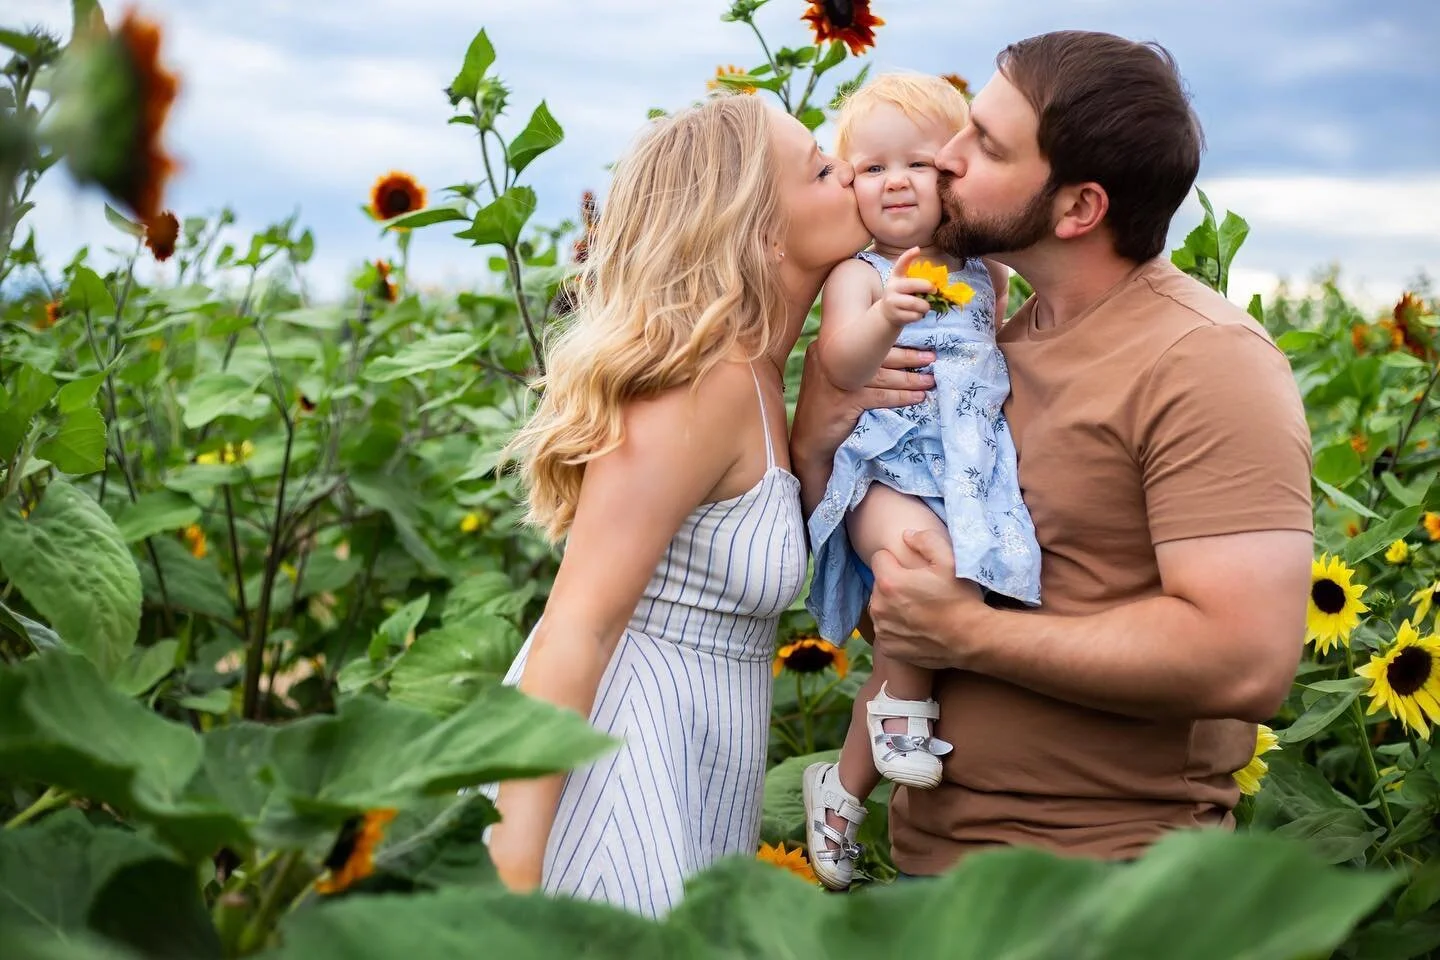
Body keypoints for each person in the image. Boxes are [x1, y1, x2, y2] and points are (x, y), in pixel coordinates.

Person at [789, 31, 1313, 878]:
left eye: (986, 145)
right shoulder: (992, 345)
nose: (945, 160)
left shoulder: (1205, 359)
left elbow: (1244, 659)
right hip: (942, 875)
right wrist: (817, 434)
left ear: (1078, 209)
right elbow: (892, 603)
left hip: (1100, 887)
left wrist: (970, 634)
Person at [487, 94, 904, 918]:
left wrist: (816, 433)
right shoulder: (701, 385)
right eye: (822, 169)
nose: (850, 171)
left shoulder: (755, 374)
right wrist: (512, 878)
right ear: (760, 230)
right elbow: (581, 624)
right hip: (619, 764)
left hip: (697, 758)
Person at [798, 73, 1041, 892]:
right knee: (917, 561)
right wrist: (886, 314)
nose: (895, 180)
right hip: (883, 466)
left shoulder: (983, 273)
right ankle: (904, 725)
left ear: (954, 179)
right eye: (870, 168)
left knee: (930, 613)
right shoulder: (862, 275)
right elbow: (839, 364)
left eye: (919, 164)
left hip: (966, 475)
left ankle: (841, 792)